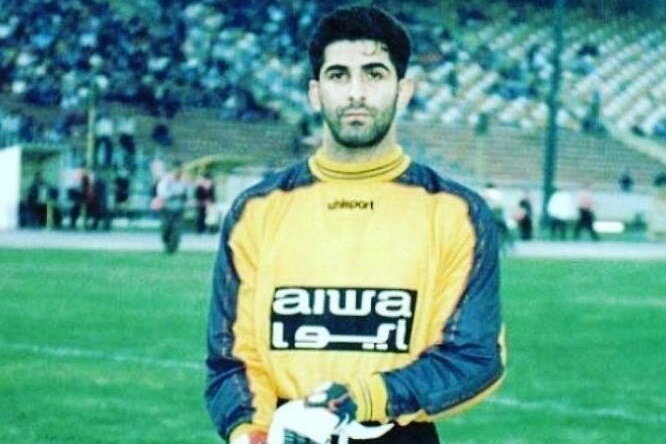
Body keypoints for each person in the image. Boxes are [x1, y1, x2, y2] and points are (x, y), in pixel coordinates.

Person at [204, 7, 505, 444]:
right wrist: (251, 434)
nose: (356, 93)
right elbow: (232, 358)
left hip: (398, 432)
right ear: (315, 92)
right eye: (338, 75)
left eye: (375, 75)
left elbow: (474, 355)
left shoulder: (456, 212)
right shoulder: (256, 210)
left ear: (404, 90)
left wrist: (361, 399)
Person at [155, 160, 188, 253]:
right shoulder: (166, 180)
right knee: (166, 228)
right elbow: (162, 193)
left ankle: (172, 247)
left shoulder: (183, 180)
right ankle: (166, 241)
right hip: (167, 208)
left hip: (179, 208)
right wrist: (174, 194)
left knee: (177, 229)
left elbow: (186, 193)